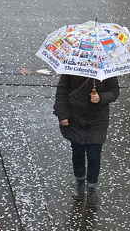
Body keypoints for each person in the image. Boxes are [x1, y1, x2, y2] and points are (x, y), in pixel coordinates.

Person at [53, 74, 120, 207]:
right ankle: (79, 182)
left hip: (98, 120)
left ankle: (91, 187)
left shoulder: (105, 70)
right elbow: (62, 91)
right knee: (78, 153)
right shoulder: (71, 68)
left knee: (94, 156)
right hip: (75, 118)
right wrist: (62, 114)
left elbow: (114, 91)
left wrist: (100, 97)